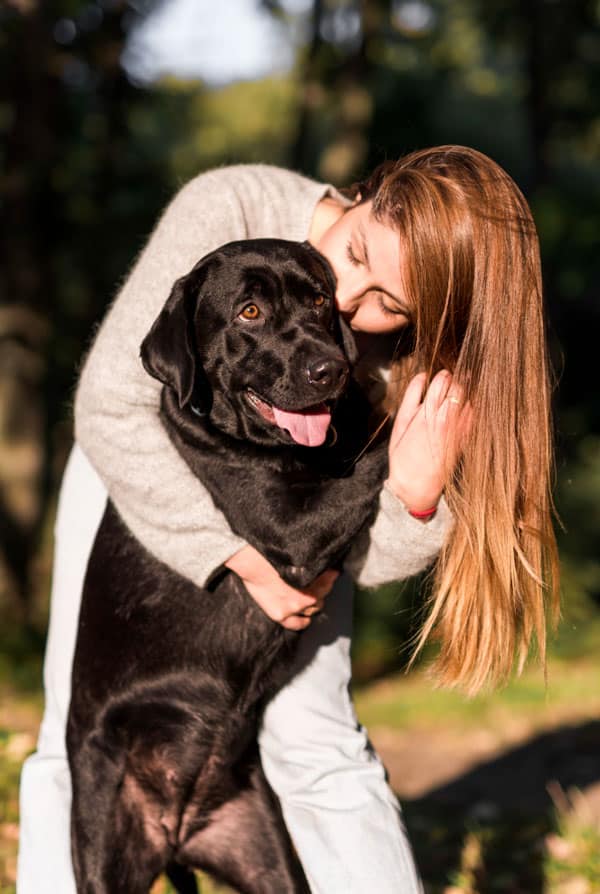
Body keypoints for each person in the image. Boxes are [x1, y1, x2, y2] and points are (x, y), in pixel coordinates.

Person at [18, 145, 558, 893]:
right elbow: (110, 405)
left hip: (311, 521)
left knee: (319, 737)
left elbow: (370, 559)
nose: (341, 300)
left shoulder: (415, 363)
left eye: (388, 305)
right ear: (364, 194)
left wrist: (420, 495)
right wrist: (237, 560)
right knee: (72, 735)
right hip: (131, 454)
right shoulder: (233, 203)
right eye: (356, 253)